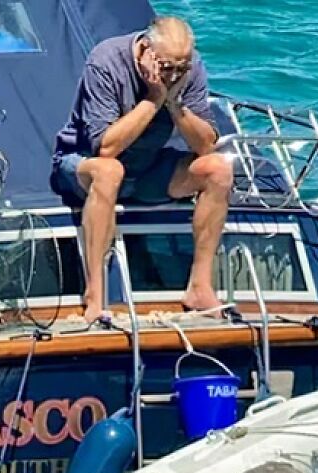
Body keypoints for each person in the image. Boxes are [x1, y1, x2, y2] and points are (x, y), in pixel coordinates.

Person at [51, 16, 233, 323]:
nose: (174, 75)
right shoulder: (106, 62)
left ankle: (200, 286)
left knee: (218, 168)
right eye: (167, 67)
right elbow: (105, 147)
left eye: (181, 68)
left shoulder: (190, 69)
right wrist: (154, 98)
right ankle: (95, 294)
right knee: (110, 171)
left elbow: (205, 145)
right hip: (83, 164)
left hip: (147, 169)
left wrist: (174, 103)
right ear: (146, 51)